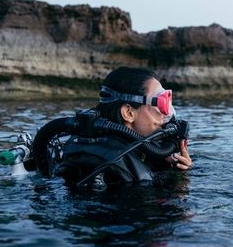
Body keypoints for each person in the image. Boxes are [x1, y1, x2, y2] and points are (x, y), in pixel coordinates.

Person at [30, 66, 192, 190]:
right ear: (128, 113)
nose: (167, 114)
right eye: (162, 104)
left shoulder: (99, 144)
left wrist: (168, 163)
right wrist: (181, 183)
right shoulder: (114, 170)